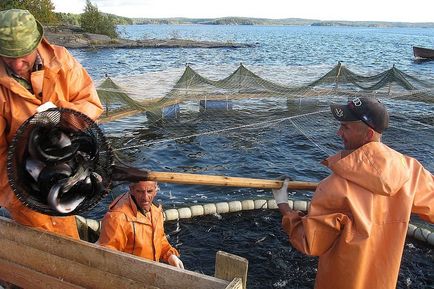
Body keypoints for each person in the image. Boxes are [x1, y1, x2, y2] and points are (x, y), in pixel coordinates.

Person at [272, 97, 433, 289]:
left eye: (346, 127)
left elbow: (309, 242)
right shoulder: (412, 171)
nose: (339, 132)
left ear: (368, 134)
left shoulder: (333, 186)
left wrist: (284, 206)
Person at [0, 9, 103, 239]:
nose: (17, 65)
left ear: (37, 43)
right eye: (8, 56)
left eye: (24, 55)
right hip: (21, 182)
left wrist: (59, 115)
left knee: (68, 241)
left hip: (65, 168)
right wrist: (19, 196)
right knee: (43, 251)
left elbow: (91, 104)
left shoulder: (62, 60)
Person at [98, 181, 184, 269]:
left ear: (156, 190)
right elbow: (107, 257)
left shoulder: (156, 210)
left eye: (150, 191)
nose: (145, 198)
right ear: (131, 190)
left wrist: (169, 255)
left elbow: (159, 239)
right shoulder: (117, 218)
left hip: (151, 271)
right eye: (140, 191)